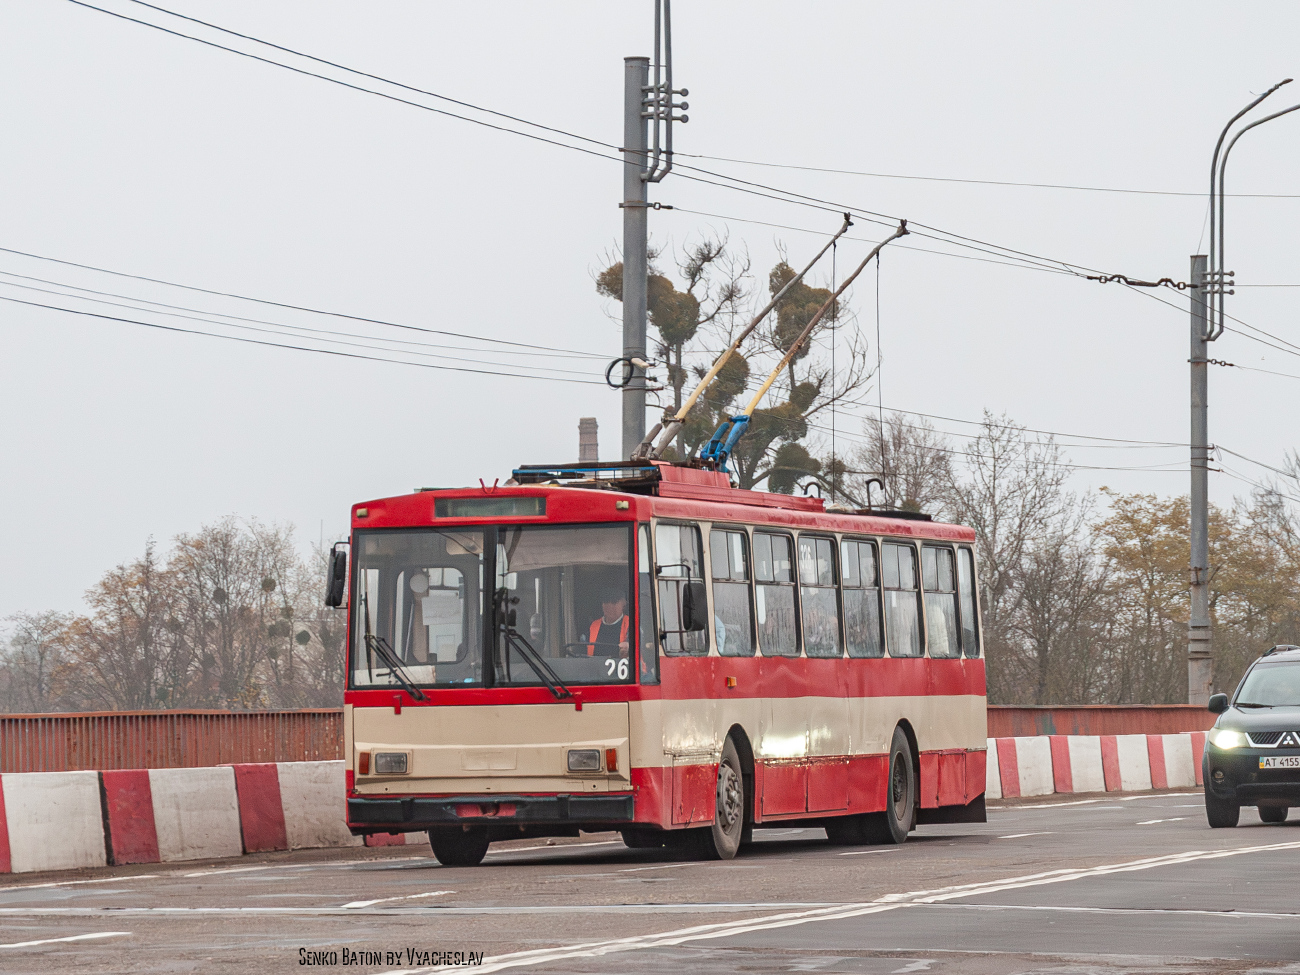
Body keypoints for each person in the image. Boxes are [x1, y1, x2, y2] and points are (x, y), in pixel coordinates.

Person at [587, 588, 630, 656]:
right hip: (594, 665)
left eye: (614, 602)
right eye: (606, 602)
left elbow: (640, 645)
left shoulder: (631, 624)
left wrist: (629, 646)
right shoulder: (593, 625)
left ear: (623, 604)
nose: (610, 606)